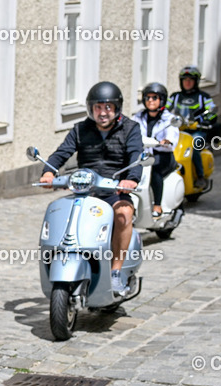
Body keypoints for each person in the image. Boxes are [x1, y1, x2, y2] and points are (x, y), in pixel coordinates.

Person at [39, 81, 143, 295]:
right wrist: (49, 171)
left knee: (124, 214)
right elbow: (62, 153)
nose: (102, 112)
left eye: (107, 107)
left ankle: (115, 272)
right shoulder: (80, 129)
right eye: (97, 107)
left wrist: (130, 179)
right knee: (58, 212)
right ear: (90, 108)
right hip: (85, 191)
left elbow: (136, 156)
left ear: (116, 108)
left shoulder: (131, 129)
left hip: (115, 191)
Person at [132, 82, 180, 217]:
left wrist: (167, 141)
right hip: (144, 154)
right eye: (148, 98)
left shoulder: (169, 119)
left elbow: (172, 133)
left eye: (154, 98)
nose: (150, 101)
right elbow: (129, 129)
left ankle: (157, 205)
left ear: (162, 100)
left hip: (162, 155)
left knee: (154, 170)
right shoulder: (138, 116)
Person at [169, 65, 219, 190]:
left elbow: (212, 111)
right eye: (184, 79)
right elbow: (164, 110)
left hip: (197, 131)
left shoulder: (204, 97)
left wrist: (207, 120)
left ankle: (200, 177)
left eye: (190, 79)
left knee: (194, 145)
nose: (187, 82)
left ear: (196, 81)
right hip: (178, 130)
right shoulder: (174, 97)